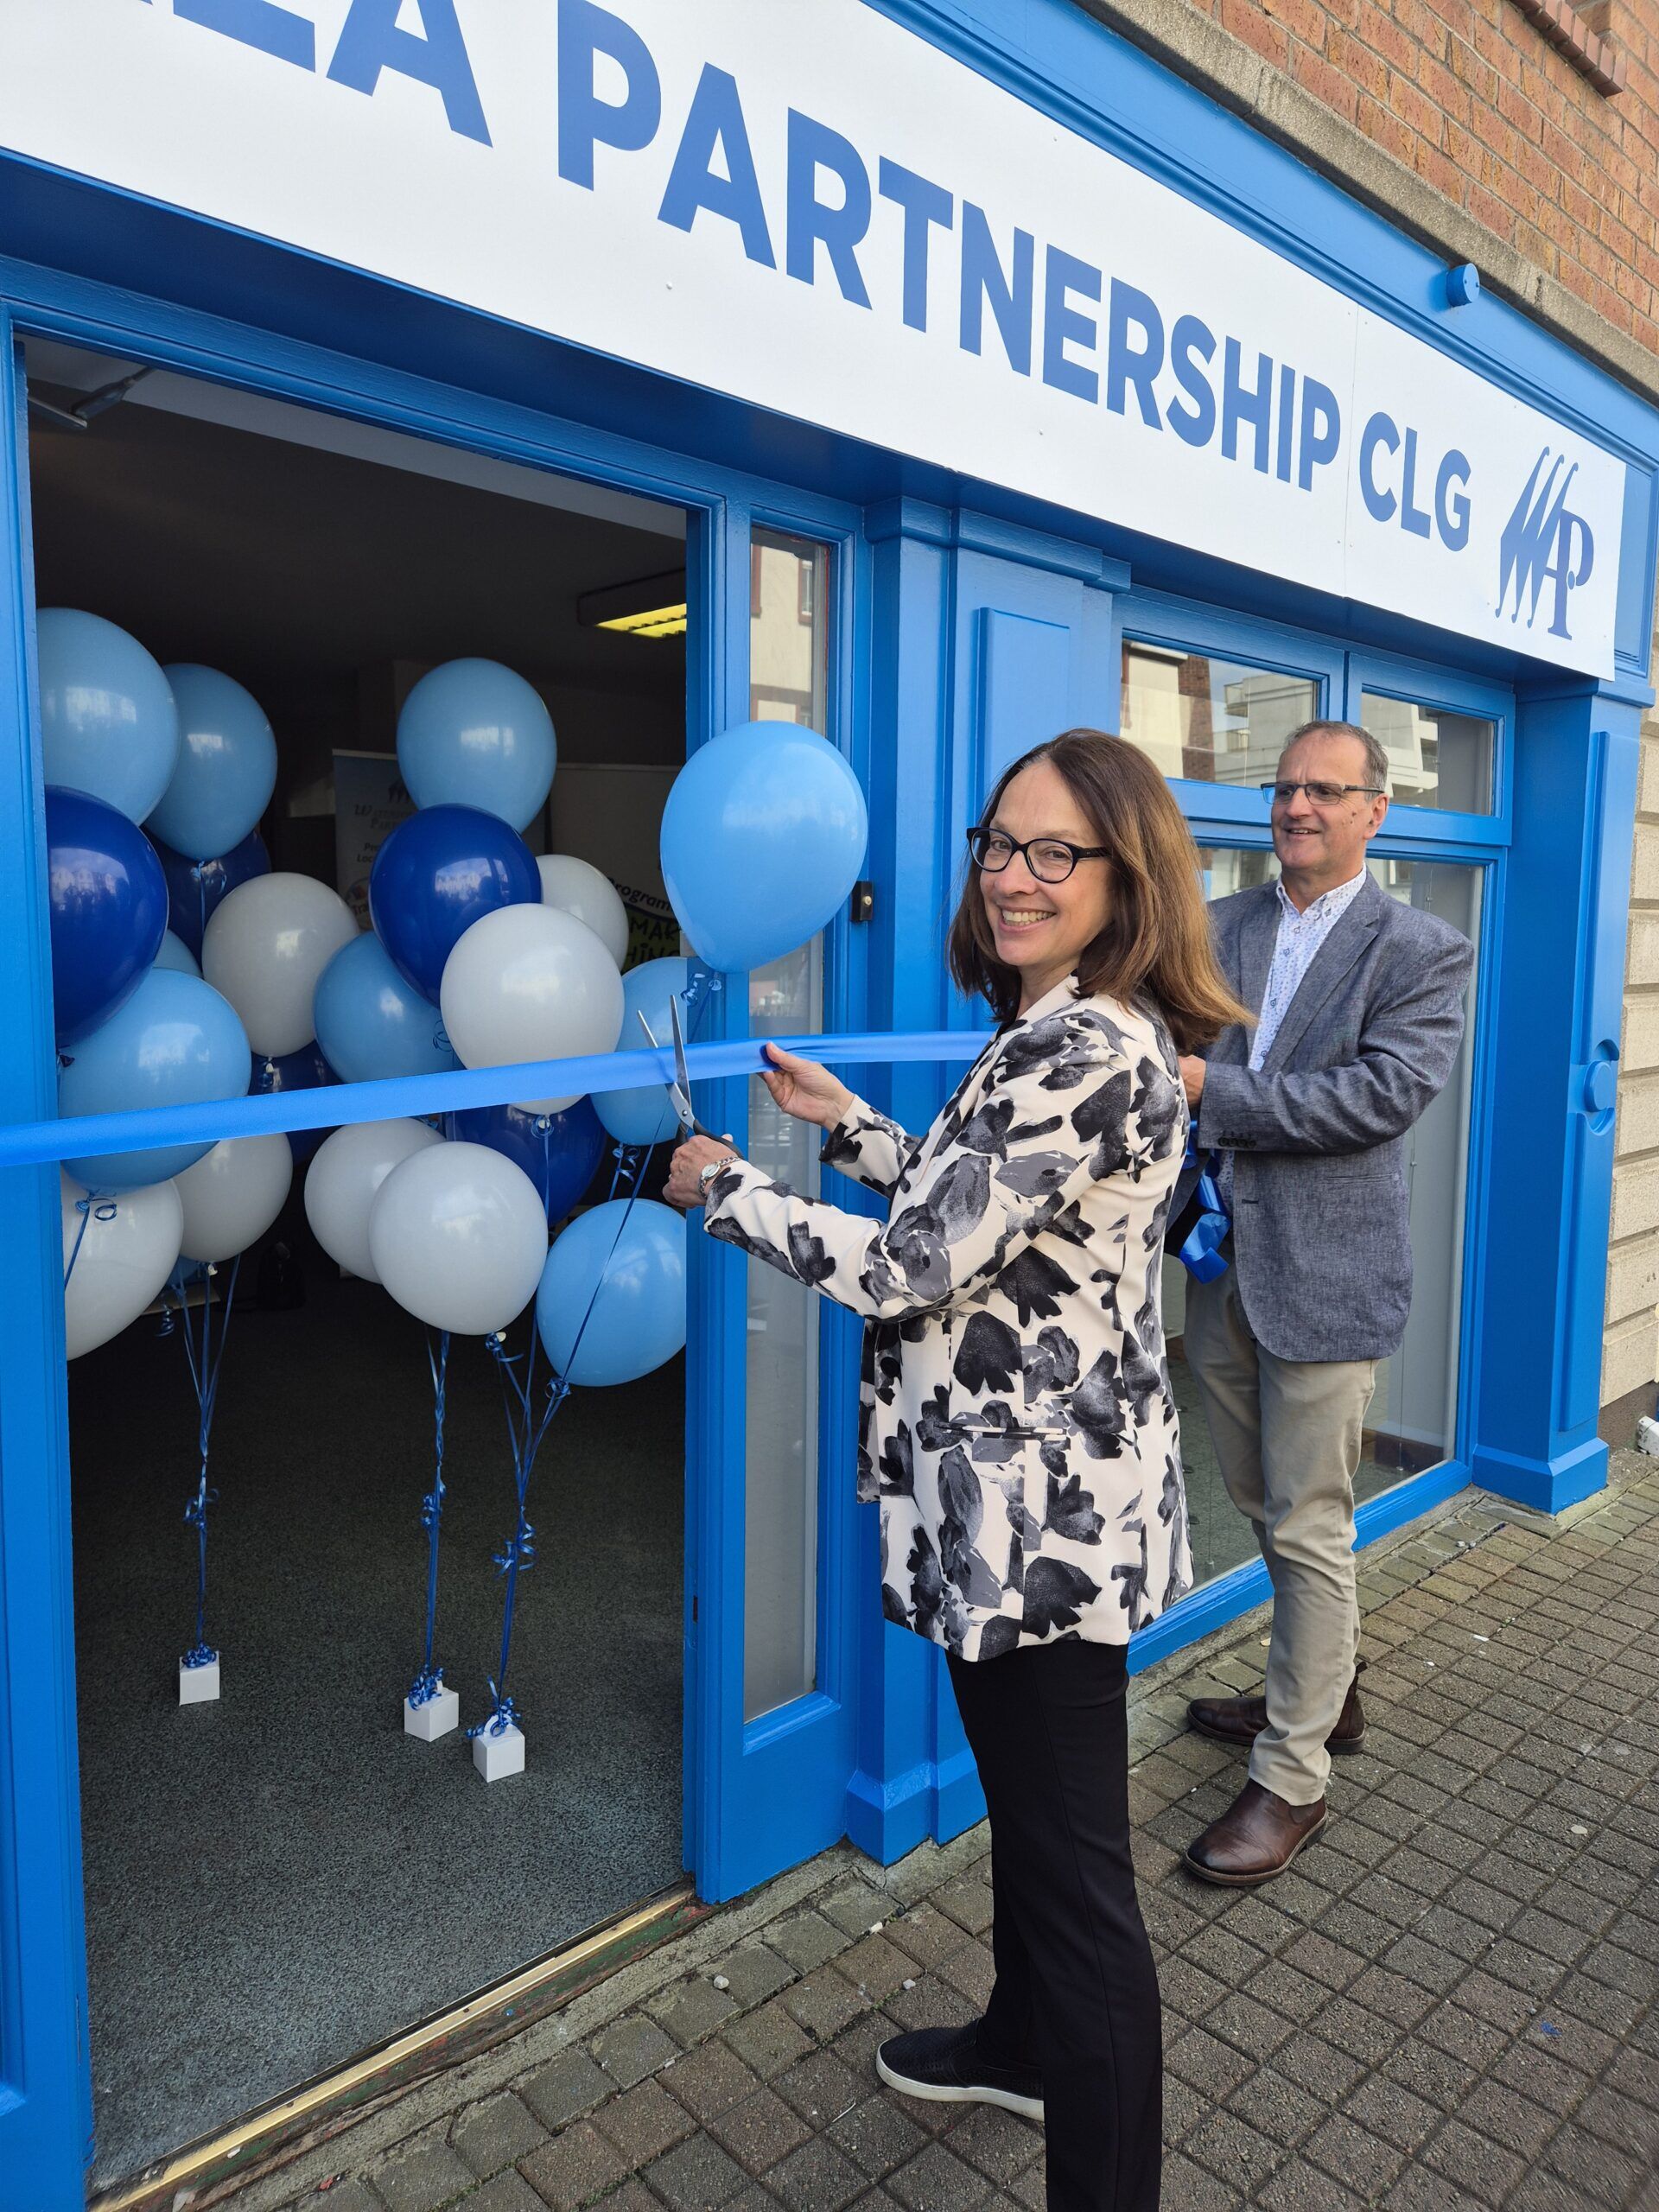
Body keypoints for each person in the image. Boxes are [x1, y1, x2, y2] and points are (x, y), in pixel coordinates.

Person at [666, 731, 1248, 2212]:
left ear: (1130, 877)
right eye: (1000, 843)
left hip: (1040, 1529)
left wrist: (725, 1188)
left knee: (1080, 1888)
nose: (1013, 875)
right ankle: (1021, 2042)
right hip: (1031, 1514)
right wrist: (845, 1130)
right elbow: (984, 1207)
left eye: (1056, 852)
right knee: (1039, 1833)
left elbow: (913, 1272)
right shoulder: (1062, 1024)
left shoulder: (1083, 1045)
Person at [1173, 719, 1473, 1887]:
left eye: (1324, 791)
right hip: (1220, 1270)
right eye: (1286, 787)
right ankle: (1325, 1691)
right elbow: (1168, 1041)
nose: (1297, 806)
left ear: (1373, 811)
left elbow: (1379, 1097)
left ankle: (1294, 1775)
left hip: (1332, 1283)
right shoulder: (1223, 925)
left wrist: (1218, 1092)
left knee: (1310, 1522)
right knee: (1258, 1498)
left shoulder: (1422, 950)